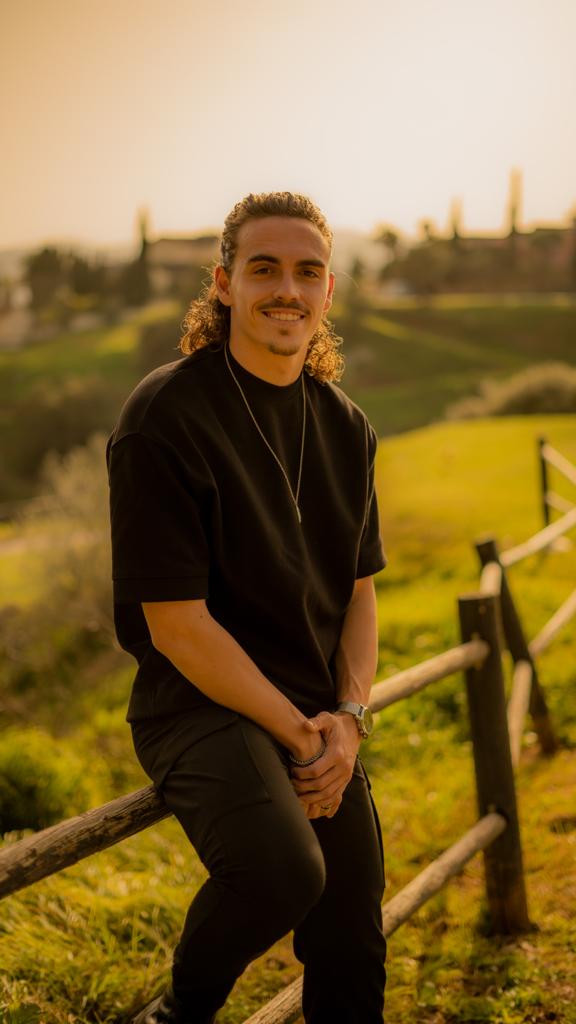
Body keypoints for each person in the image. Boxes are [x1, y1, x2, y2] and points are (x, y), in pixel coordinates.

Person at [107, 191, 387, 1024]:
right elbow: (177, 626)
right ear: (224, 283)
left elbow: (359, 593)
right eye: (264, 269)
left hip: (315, 712)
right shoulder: (163, 415)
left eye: (307, 272)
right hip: (196, 705)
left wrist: (347, 718)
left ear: (328, 291)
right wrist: (302, 735)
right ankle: (176, 1014)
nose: (286, 290)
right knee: (282, 872)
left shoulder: (347, 427)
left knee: (353, 935)